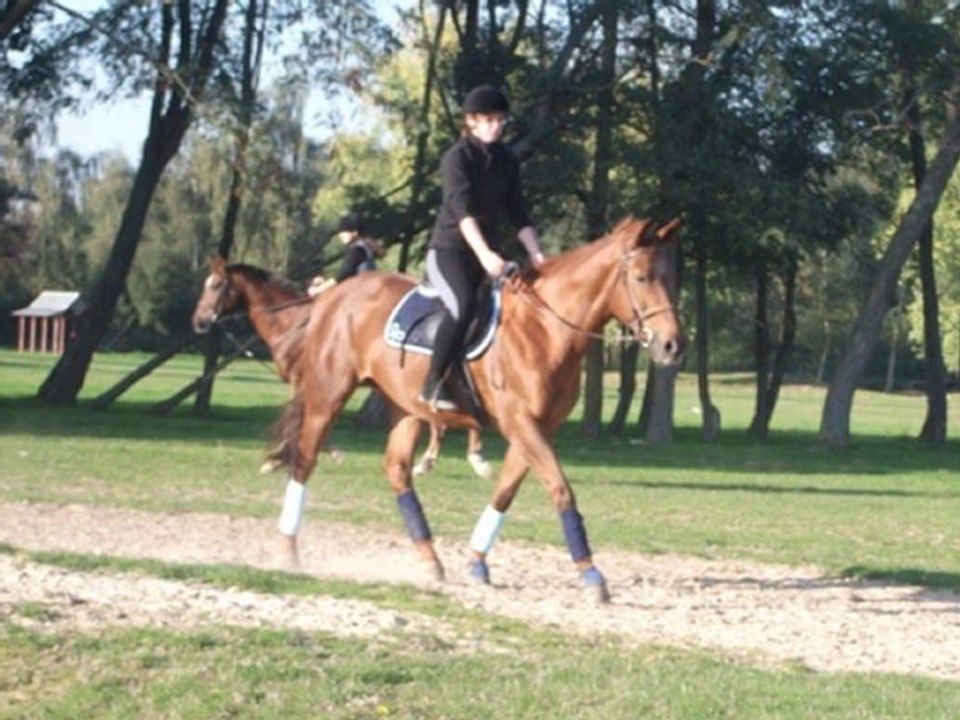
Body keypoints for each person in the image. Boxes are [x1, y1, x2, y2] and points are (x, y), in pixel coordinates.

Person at [419, 84, 545, 411]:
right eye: (489, 119)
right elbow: (463, 213)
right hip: (449, 252)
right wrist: (487, 254)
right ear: (471, 121)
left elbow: (518, 212)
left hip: (488, 256)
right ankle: (432, 382)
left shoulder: (506, 160)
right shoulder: (456, 159)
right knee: (462, 305)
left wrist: (537, 254)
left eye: (501, 120)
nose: (496, 125)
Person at [309, 211, 383, 297]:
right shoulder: (363, 247)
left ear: (354, 233)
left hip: (360, 293)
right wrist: (325, 283)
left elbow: (343, 275)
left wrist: (318, 290)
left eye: (344, 232)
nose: (340, 235)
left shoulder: (356, 250)